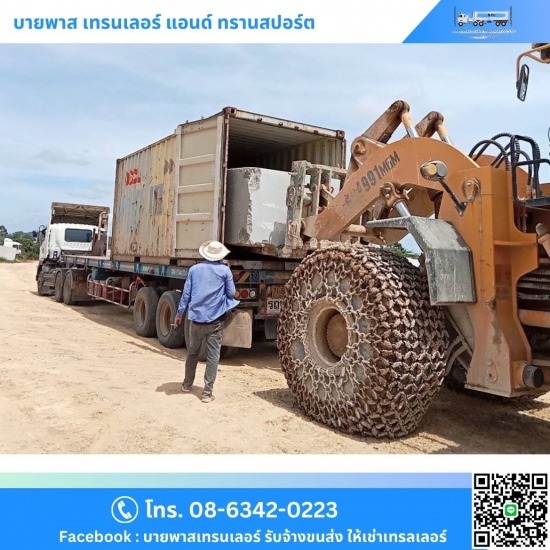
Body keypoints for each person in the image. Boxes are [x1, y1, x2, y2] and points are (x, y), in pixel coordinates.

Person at [174, 240, 240, 403]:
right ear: (220, 256)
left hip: (196, 319)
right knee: (213, 356)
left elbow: (186, 294)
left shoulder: (194, 269)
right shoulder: (224, 271)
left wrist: (179, 314)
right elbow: (232, 293)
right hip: (215, 320)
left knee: (192, 353)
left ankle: (187, 385)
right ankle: (207, 393)